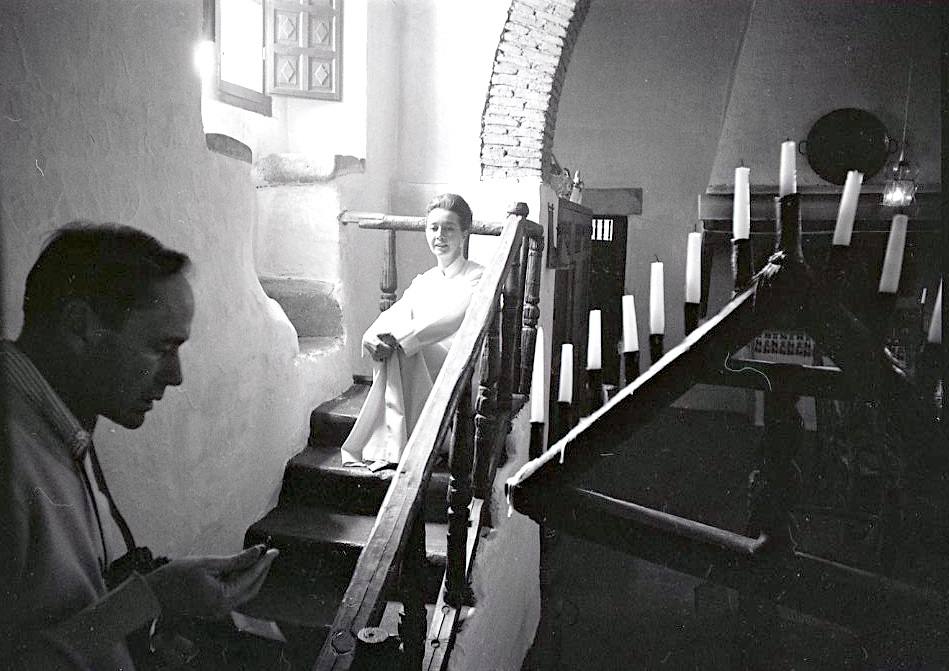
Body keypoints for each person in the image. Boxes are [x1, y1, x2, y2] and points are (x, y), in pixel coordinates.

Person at [0, 223, 278, 670]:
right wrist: (153, 597)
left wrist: (150, 616)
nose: (176, 376)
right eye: (161, 346)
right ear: (80, 327)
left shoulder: (60, 417)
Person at [341, 194, 484, 467]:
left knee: (403, 349)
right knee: (398, 349)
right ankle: (403, 444)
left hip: (458, 361)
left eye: (449, 228)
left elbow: (452, 318)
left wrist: (401, 339)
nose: (439, 236)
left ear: (465, 233)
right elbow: (397, 312)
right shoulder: (424, 281)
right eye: (433, 228)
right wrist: (373, 335)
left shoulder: (477, 275)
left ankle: (402, 445)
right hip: (420, 357)